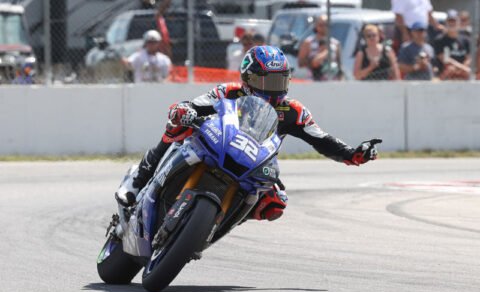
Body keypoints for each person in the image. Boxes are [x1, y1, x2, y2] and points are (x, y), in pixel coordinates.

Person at [115, 45, 380, 221]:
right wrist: (185, 110)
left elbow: (322, 140)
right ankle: (139, 179)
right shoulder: (230, 91)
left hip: (254, 160)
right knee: (178, 123)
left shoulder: (293, 111)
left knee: (276, 203)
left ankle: (214, 225)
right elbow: (195, 104)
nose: (273, 89)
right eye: (266, 82)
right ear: (248, 78)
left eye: (279, 82)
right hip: (215, 144)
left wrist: (353, 154)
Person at [297, 15, 343, 81]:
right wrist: (314, 62)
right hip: (313, 81)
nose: (323, 27)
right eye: (321, 25)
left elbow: (339, 64)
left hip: (332, 81)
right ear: (316, 26)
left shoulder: (335, 44)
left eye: (326, 25)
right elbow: (300, 63)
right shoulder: (308, 43)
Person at [433, 10, 471, 80]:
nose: (452, 23)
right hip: (446, 76)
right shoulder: (440, 40)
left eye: (454, 21)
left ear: (459, 22)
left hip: (463, 76)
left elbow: (469, 58)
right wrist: (464, 68)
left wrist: (461, 70)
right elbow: (445, 59)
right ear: (446, 22)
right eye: (450, 21)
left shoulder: (466, 40)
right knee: (450, 69)